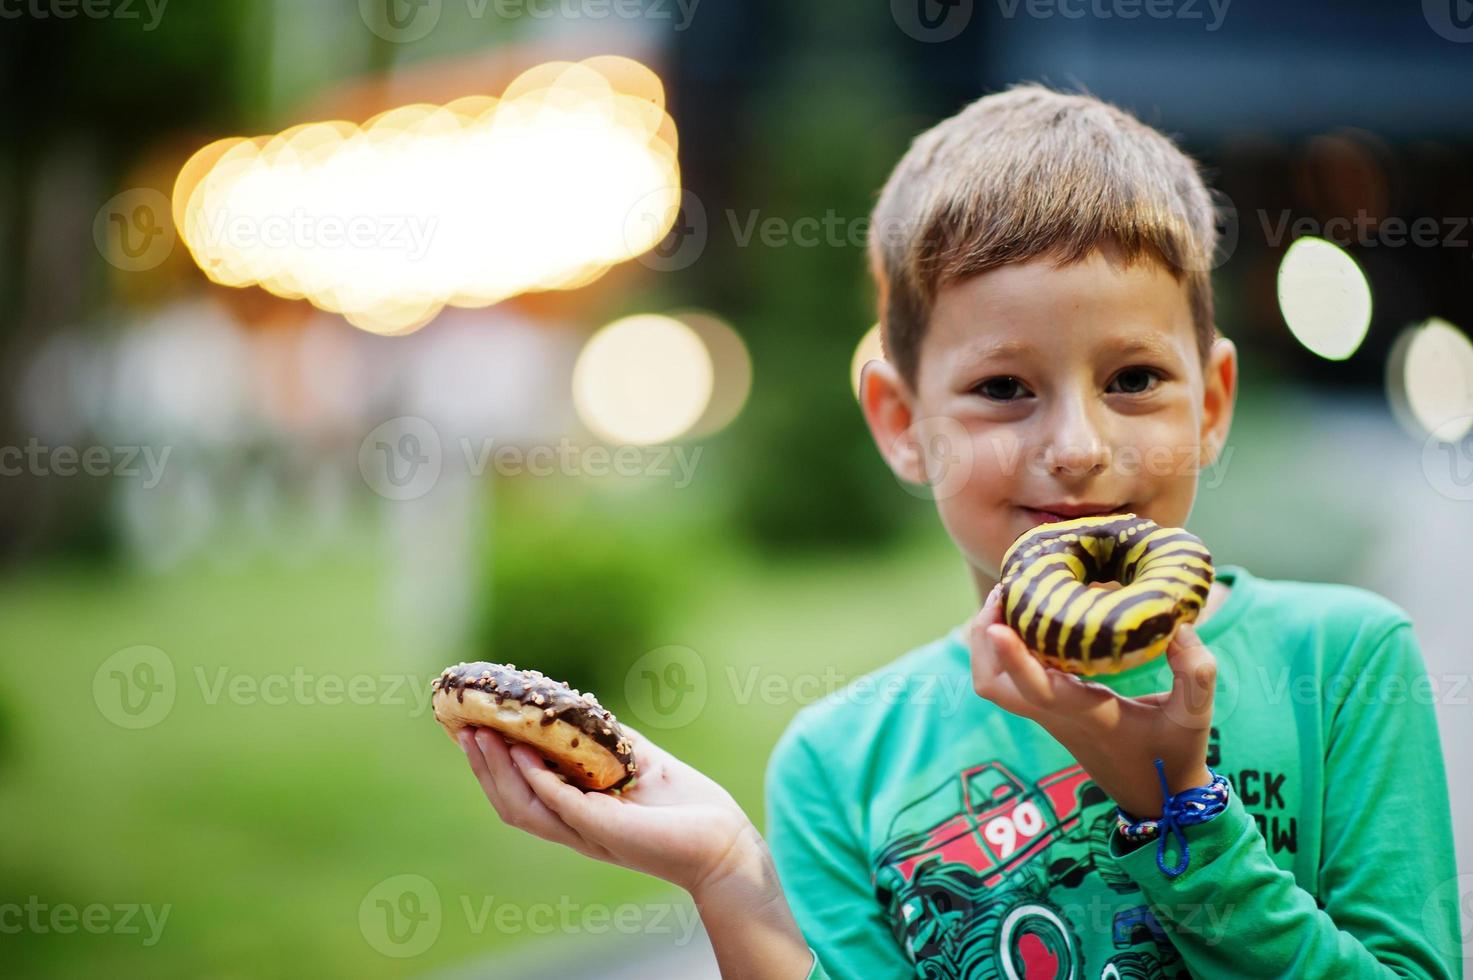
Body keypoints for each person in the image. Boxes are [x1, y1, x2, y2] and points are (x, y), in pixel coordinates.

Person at [455, 83, 1463, 979]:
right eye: (1002, 388)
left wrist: (1176, 809)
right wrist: (728, 874)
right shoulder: (842, 764)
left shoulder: (1345, 663)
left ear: (1211, 401)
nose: (1074, 444)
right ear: (902, 422)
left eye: (1133, 379)